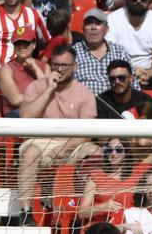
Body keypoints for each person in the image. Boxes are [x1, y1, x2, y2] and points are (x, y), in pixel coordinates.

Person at [15, 44, 95, 222]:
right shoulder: (37, 86)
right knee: (30, 153)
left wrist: (67, 147)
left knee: (93, 151)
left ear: (75, 66)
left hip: (73, 144)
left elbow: (87, 132)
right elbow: (26, 117)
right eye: (56, 65)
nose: (60, 69)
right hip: (39, 143)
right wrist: (49, 89)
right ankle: (26, 212)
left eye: (65, 65)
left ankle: (83, 212)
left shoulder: (85, 93)